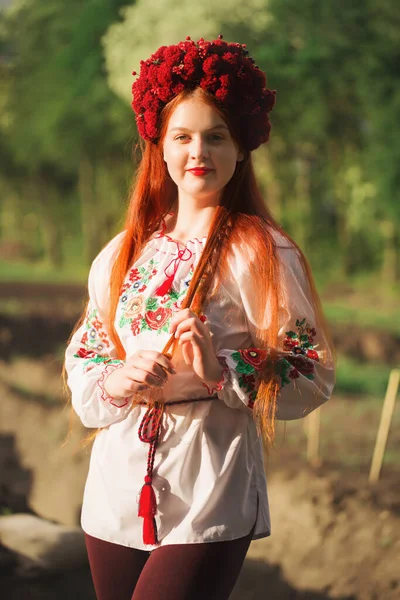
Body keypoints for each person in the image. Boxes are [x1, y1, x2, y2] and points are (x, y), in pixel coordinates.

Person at [65, 35, 335, 600]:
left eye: (217, 137)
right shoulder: (123, 253)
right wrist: (117, 378)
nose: (199, 153)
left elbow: (310, 369)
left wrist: (222, 367)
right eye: (182, 136)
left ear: (242, 149)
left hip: (211, 480)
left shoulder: (262, 252)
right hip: (117, 481)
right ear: (158, 146)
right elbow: (88, 353)